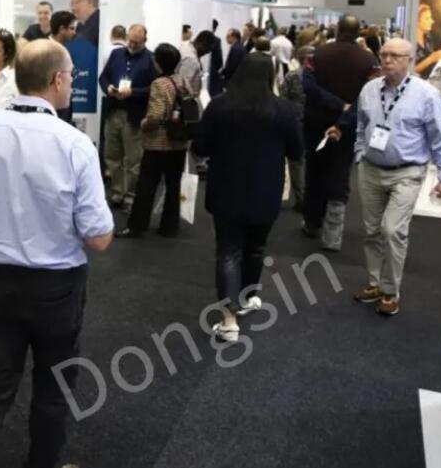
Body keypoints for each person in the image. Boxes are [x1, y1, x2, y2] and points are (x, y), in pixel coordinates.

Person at [0, 39, 114, 468]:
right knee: (54, 388)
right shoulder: (75, 144)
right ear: (57, 79)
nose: (72, 83)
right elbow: (99, 238)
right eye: (71, 76)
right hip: (57, 290)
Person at [193, 53, 303, 342]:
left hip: (225, 187)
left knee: (228, 251)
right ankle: (247, 297)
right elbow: (296, 151)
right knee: (256, 247)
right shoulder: (284, 110)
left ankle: (228, 321)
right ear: (271, 76)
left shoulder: (219, 106)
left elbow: (201, 146)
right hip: (265, 189)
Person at [350, 38, 441, 316]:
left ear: (409, 60)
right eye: (384, 54)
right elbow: (361, 125)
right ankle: (375, 283)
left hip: (407, 172)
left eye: (395, 56)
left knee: (392, 230)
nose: (387, 60)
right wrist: (359, 153)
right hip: (370, 169)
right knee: (371, 231)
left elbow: (440, 138)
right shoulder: (369, 89)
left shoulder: (426, 94)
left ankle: (390, 290)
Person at [301, 15, 378, 250]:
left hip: (316, 122)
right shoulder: (369, 59)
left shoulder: (316, 54)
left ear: (337, 30)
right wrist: (347, 110)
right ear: (358, 32)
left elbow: (308, 86)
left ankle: (312, 222)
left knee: (314, 170)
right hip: (350, 126)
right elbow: (371, 93)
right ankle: (333, 235)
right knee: (340, 172)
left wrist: (335, 103)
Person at [120, 43, 189, 238]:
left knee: (146, 186)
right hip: (179, 141)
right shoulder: (181, 80)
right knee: (173, 185)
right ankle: (169, 226)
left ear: (158, 63)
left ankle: (137, 226)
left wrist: (143, 124)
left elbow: (156, 116)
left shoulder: (159, 84)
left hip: (158, 144)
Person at [98, 24, 155, 209]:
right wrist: (108, 88)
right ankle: (116, 193)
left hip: (134, 116)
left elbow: (154, 88)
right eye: (130, 40)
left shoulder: (151, 59)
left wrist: (134, 92)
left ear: (144, 40)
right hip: (113, 111)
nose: (131, 44)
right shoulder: (116, 54)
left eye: (136, 42)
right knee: (111, 156)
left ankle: (131, 196)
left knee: (133, 160)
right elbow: (103, 77)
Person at [281, 45, 315, 213]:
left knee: (296, 161)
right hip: (316, 122)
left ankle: (301, 198)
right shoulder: (321, 76)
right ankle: (314, 197)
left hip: (295, 121)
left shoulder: (292, 76)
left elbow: (283, 99)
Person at [49, 10, 78, 124]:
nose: (74, 32)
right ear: (61, 29)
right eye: (71, 28)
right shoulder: (44, 50)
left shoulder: (65, 49)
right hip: (52, 107)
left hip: (64, 106)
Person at [414, 4, 441, 78]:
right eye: (427, 18)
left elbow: (434, 60)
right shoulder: (409, 41)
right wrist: (431, 59)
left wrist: (439, 57)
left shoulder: (428, 37)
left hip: (431, 79)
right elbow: (408, 72)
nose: (432, 21)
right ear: (416, 21)